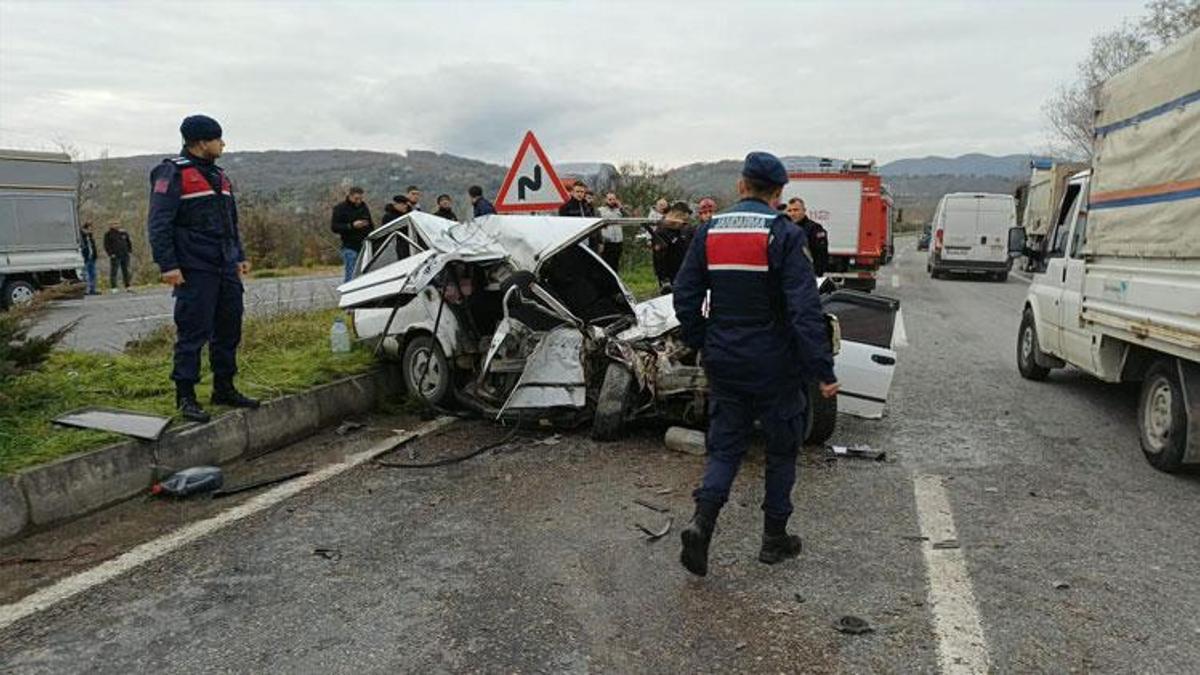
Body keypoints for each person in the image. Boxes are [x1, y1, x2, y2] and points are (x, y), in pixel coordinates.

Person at [672, 152, 840, 577]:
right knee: (782, 449)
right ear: (778, 193)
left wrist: (702, 340)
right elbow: (804, 309)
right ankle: (773, 540)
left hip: (724, 357)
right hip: (776, 362)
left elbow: (685, 296)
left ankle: (702, 525)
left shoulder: (709, 231)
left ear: (741, 186)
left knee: (725, 446)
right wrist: (822, 370)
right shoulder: (783, 234)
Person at [147, 114, 259, 423]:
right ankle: (186, 395)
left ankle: (224, 387)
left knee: (229, 327)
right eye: (218, 139)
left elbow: (230, 222)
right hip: (194, 267)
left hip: (225, 265)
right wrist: (167, 265)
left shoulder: (220, 176)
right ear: (201, 142)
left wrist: (240, 255)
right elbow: (159, 223)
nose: (223, 144)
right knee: (193, 332)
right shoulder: (172, 173)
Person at [331, 187, 373, 282]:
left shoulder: (364, 207)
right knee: (351, 274)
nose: (358, 201)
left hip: (364, 245)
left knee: (363, 274)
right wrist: (351, 226)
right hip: (349, 246)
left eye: (361, 199)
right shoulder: (340, 208)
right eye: (356, 199)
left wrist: (366, 226)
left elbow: (371, 225)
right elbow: (334, 227)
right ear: (350, 196)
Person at [651, 201, 693, 293]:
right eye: (683, 219)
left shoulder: (682, 229)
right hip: (671, 276)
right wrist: (664, 280)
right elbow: (659, 259)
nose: (684, 223)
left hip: (684, 273)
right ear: (677, 215)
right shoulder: (661, 232)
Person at [786, 197, 830, 277]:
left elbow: (821, 256)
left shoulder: (814, 229)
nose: (792, 213)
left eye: (796, 210)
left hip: (806, 276)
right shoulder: (785, 229)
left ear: (804, 210)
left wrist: (816, 275)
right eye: (789, 211)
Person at [595, 192, 625, 271]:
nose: (612, 201)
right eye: (610, 199)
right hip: (607, 242)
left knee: (616, 263)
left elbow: (629, 218)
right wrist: (600, 242)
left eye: (614, 199)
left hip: (618, 241)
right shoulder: (600, 210)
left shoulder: (619, 210)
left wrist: (621, 208)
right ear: (605, 200)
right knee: (606, 264)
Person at [103, 224, 133, 293]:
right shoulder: (108, 234)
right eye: (114, 224)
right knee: (114, 271)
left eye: (117, 223)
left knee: (126, 271)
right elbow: (106, 245)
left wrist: (129, 251)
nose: (116, 225)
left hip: (125, 254)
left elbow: (128, 242)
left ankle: (127, 286)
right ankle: (114, 287)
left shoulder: (123, 233)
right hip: (115, 255)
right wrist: (111, 254)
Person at [80, 221, 99, 295]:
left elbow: (93, 247)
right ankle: (86, 290)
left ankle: (93, 289)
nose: (91, 230)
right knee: (85, 274)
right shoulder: (82, 237)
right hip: (85, 258)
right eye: (89, 228)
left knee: (93, 274)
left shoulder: (90, 237)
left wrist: (95, 255)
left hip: (92, 257)